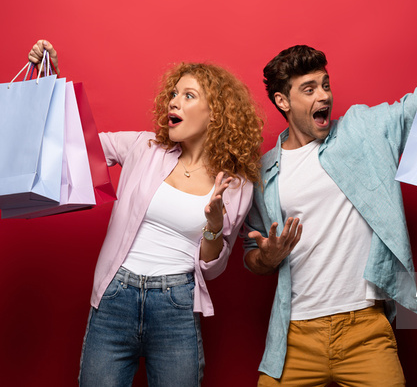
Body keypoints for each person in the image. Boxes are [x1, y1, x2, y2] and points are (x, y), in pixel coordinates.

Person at [242, 16, 417, 386]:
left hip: (365, 329)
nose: (324, 96)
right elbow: (251, 257)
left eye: (325, 85)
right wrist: (268, 256)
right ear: (283, 100)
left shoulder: (363, 130)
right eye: (309, 89)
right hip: (295, 335)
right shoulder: (266, 173)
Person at [28, 41, 263, 387]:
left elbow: (212, 269)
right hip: (114, 298)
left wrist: (213, 226)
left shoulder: (236, 185)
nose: (173, 101)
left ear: (216, 113)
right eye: (173, 93)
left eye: (188, 95)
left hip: (176, 306)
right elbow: (75, 142)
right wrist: (50, 81)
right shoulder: (144, 148)